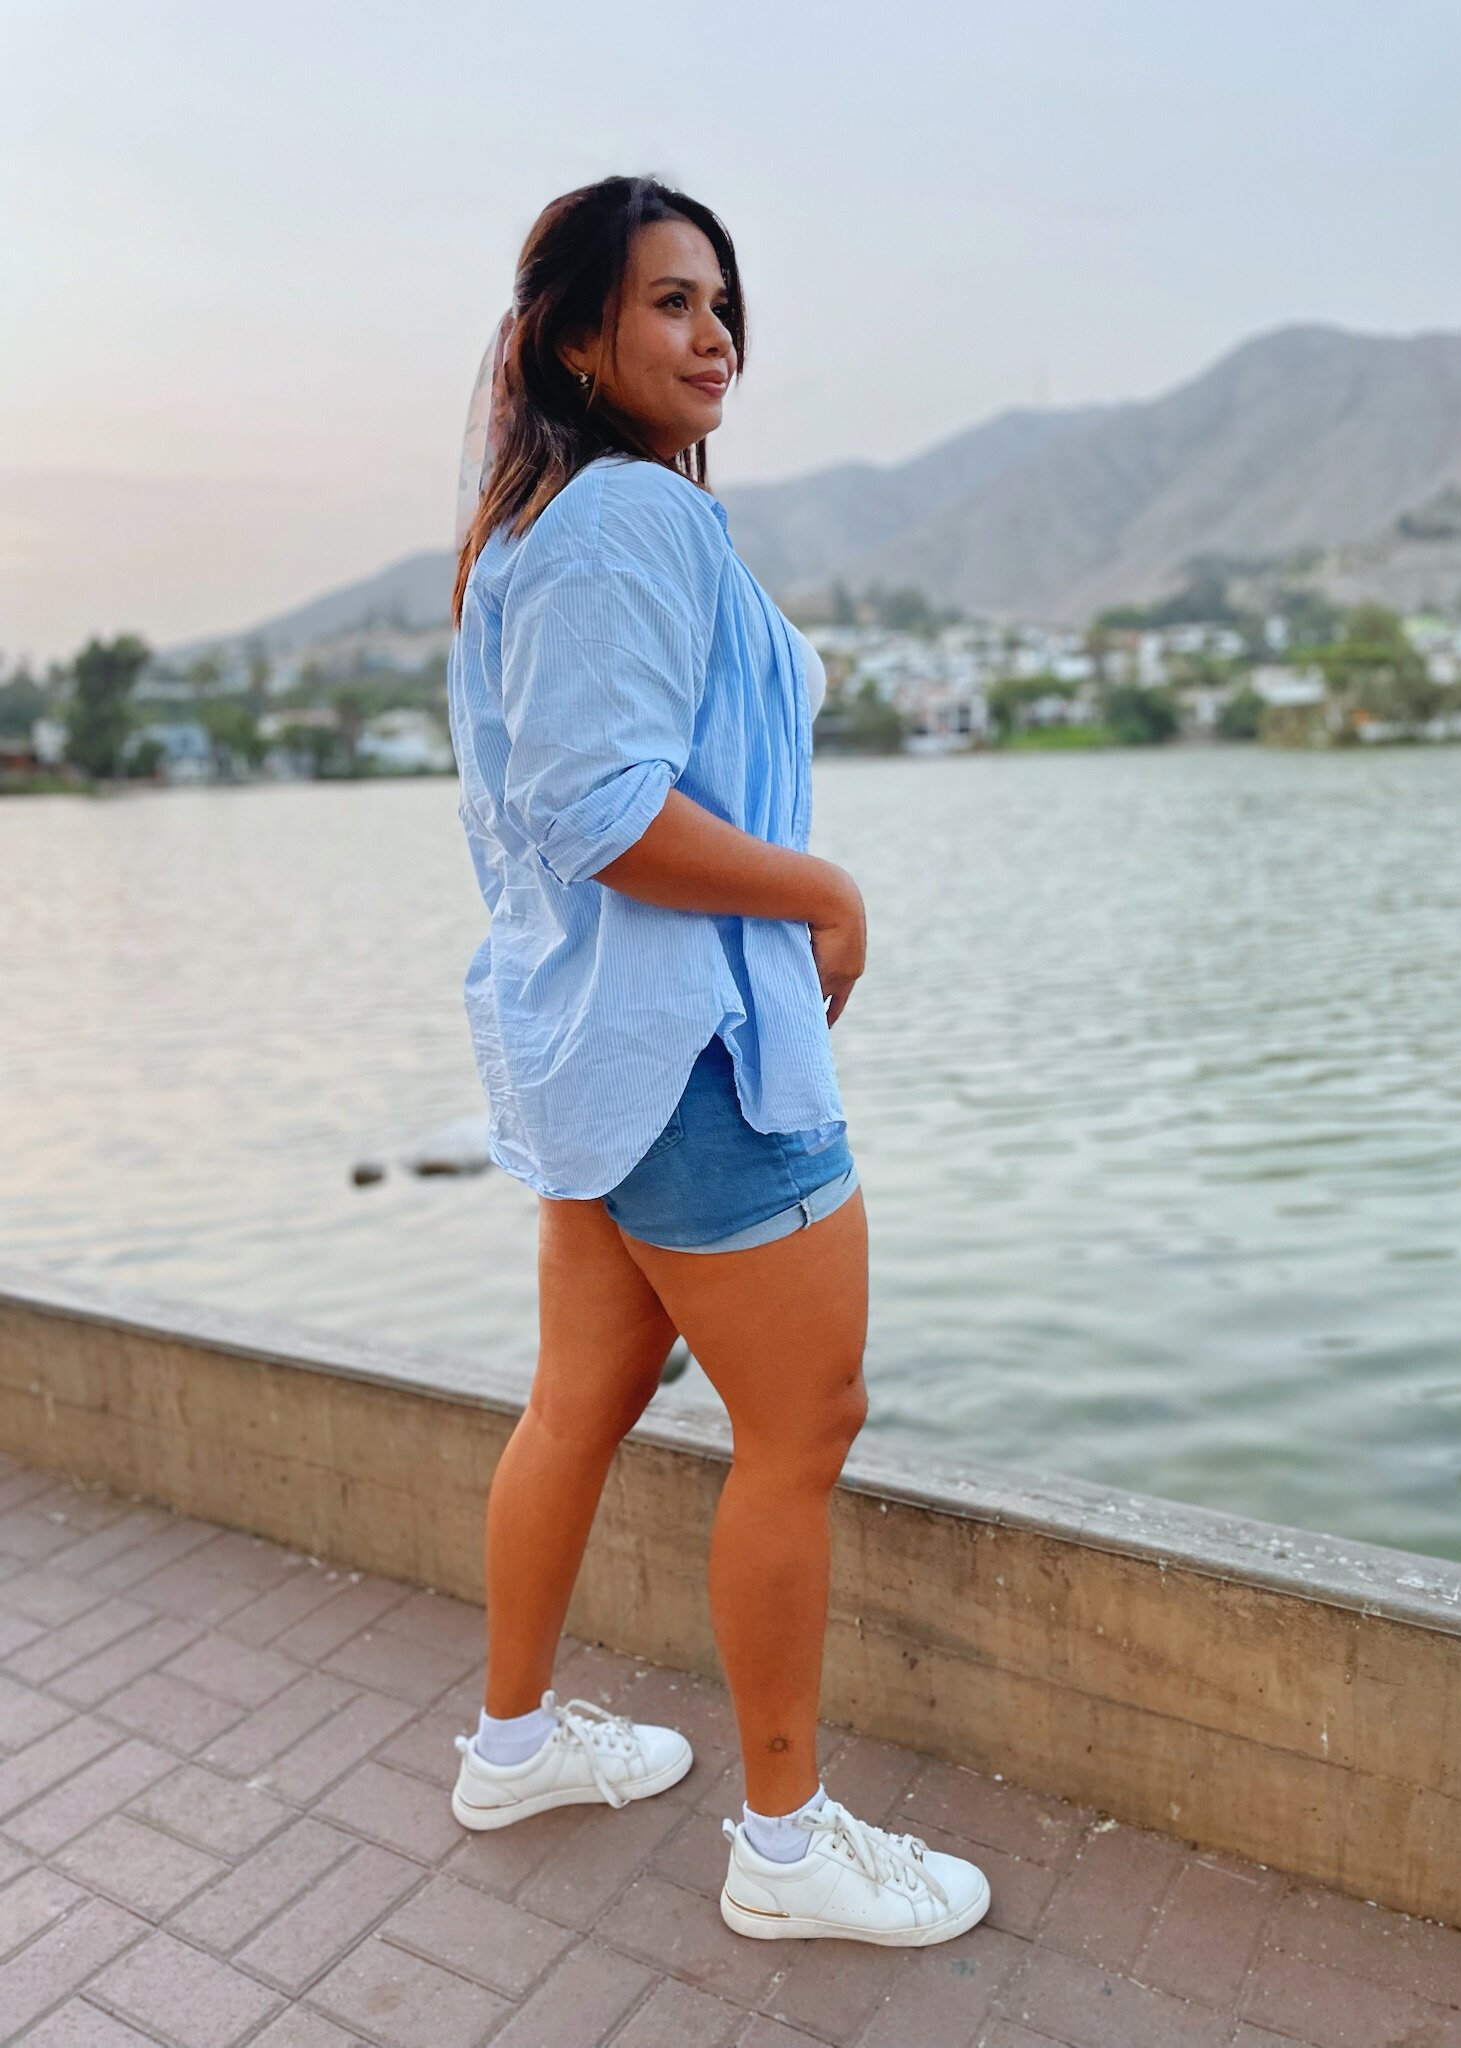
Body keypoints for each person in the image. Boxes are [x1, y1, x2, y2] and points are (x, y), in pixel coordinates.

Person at [443, 173, 990, 1947]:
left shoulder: (542, 523)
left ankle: (514, 1746)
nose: (714, 336)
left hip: (604, 1054)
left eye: (723, 304)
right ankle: (786, 1846)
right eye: (670, 302)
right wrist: (824, 891)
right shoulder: (626, 515)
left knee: (578, 1403)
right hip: (696, 1055)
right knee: (804, 1424)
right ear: (573, 339)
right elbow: (603, 813)